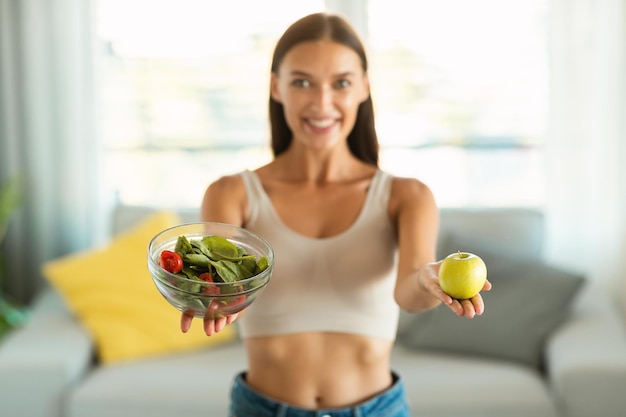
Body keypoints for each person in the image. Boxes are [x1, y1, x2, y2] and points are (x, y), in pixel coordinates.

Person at [180, 12, 491, 417]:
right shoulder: (231, 193)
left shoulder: (406, 195)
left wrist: (430, 281)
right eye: (302, 82)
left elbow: (409, 294)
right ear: (276, 87)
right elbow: (228, 292)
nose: (322, 102)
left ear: (363, 86)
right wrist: (211, 297)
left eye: (341, 83)